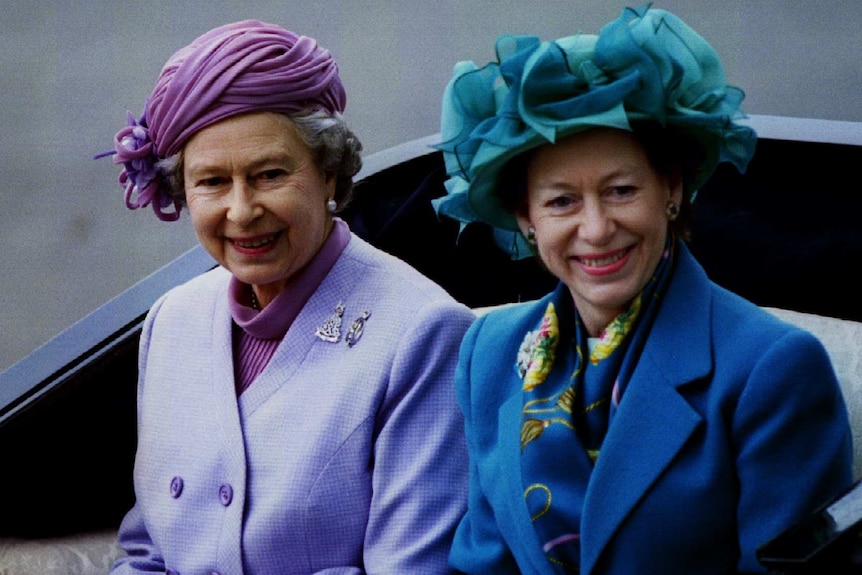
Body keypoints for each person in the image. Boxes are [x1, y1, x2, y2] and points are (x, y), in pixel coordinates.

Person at [432, 5, 854, 574]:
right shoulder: (491, 351)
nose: (597, 228)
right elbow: (479, 563)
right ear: (526, 218)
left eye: (622, 190)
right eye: (561, 201)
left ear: (671, 190)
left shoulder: (769, 368)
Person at [100, 20, 474, 574]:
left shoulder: (421, 330)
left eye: (270, 173)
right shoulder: (171, 321)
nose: (242, 210)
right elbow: (149, 553)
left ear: (328, 174)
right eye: (211, 182)